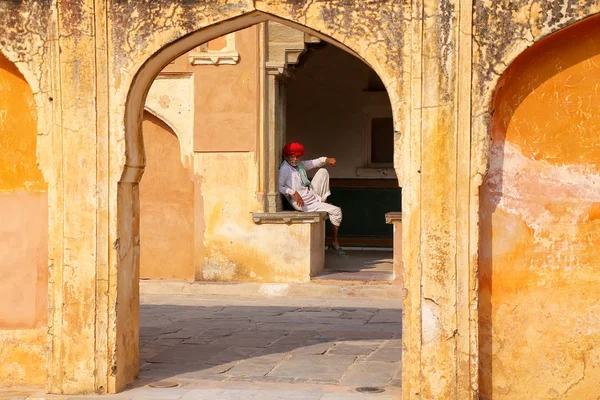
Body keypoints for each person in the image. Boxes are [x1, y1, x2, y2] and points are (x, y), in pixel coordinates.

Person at [278, 142, 346, 256]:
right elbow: (279, 186)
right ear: (287, 156)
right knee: (337, 211)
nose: (295, 159)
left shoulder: (299, 165)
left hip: (312, 195)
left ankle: (323, 202)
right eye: (292, 156)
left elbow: (313, 162)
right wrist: (293, 192)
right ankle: (334, 242)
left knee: (323, 171)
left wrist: (327, 159)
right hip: (304, 204)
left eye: (297, 157)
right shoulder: (285, 169)